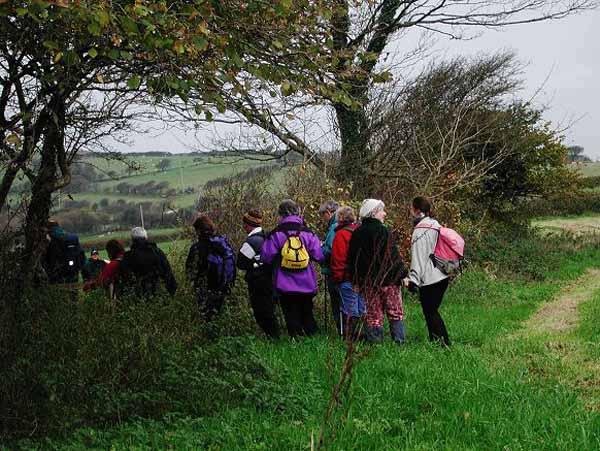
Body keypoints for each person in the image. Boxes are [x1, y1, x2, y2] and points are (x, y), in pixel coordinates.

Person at [347, 199, 407, 344]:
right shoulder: (383, 231)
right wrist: (403, 275)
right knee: (395, 312)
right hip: (389, 281)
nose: (384, 213)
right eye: (382, 210)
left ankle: (375, 344)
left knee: (373, 315)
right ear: (374, 213)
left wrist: (355, 281)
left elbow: (353, 261)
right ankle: (399, 342)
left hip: (369, 283)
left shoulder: (357, 233)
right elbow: (392, 256)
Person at [261, 199, 324, 337]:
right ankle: (313, 341)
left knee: (290, 315)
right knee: (307, 313)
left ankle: (295, 341)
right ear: (298, 212)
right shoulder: (307, 233)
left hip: (284, 284)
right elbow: (319, 256)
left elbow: (266, 257)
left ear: (281, 214)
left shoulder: (276, 234)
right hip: (306, 282)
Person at [404, 196, 451, 347]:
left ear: (416, 210)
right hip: (443, 274)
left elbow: (418, 257)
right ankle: (437, 342)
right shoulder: (436, 226)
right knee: (432, 310)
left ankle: (442, 344)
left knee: (430, 312)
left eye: (411, 208)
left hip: (430, 277)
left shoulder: (419, 231)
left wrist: (413, 280)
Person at [236, 209, 280, 338]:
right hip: (272, 280)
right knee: (270, 311)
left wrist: (254, 265)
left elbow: (240, 263)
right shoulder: (268, 237)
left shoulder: (251, 242)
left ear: (247, 224)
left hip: (257, 283)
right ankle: (276, 338)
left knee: (262, 312)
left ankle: (273, 339)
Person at [186, 215, 236, 320]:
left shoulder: (197, 247)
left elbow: (190, 269)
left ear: (199, 230)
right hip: (223, 287)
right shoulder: (222, 242)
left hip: (204, 288)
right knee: (221, 316)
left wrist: (192, 284)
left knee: (206, 317)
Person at [329, 206, 364, 340]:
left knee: (350, 310)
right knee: (362, 309)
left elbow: (337, 259)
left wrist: (338, 279)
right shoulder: (359, 231)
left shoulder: (340, 235)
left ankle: (349, 339)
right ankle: (364, 337)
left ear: (340, 218)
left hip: (346, 279)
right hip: (361, 278)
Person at [120, 227, 177, 299]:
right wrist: (172, 291)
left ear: (132, 240)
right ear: (146, 237)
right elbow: (167, 272)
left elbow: (125, 278)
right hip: (158, 294)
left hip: (137, 298)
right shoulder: (157, 252)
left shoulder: (127, 257)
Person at [318, 200, 343, 334]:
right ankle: (346, 330)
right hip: (345, 270)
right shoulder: (345, 224)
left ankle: (341, 331)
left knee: (336, 302)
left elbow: (329, 250)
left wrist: (320, 248)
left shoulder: (334, 226)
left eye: (323, 216)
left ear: (328, 212)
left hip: (334, 271)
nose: (323, 219)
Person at [42, 220, 85, 285]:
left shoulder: (50, 239)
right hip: (73, 272)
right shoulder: (69, 237)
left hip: (58, 275)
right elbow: (81, 255)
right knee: (73, 291)